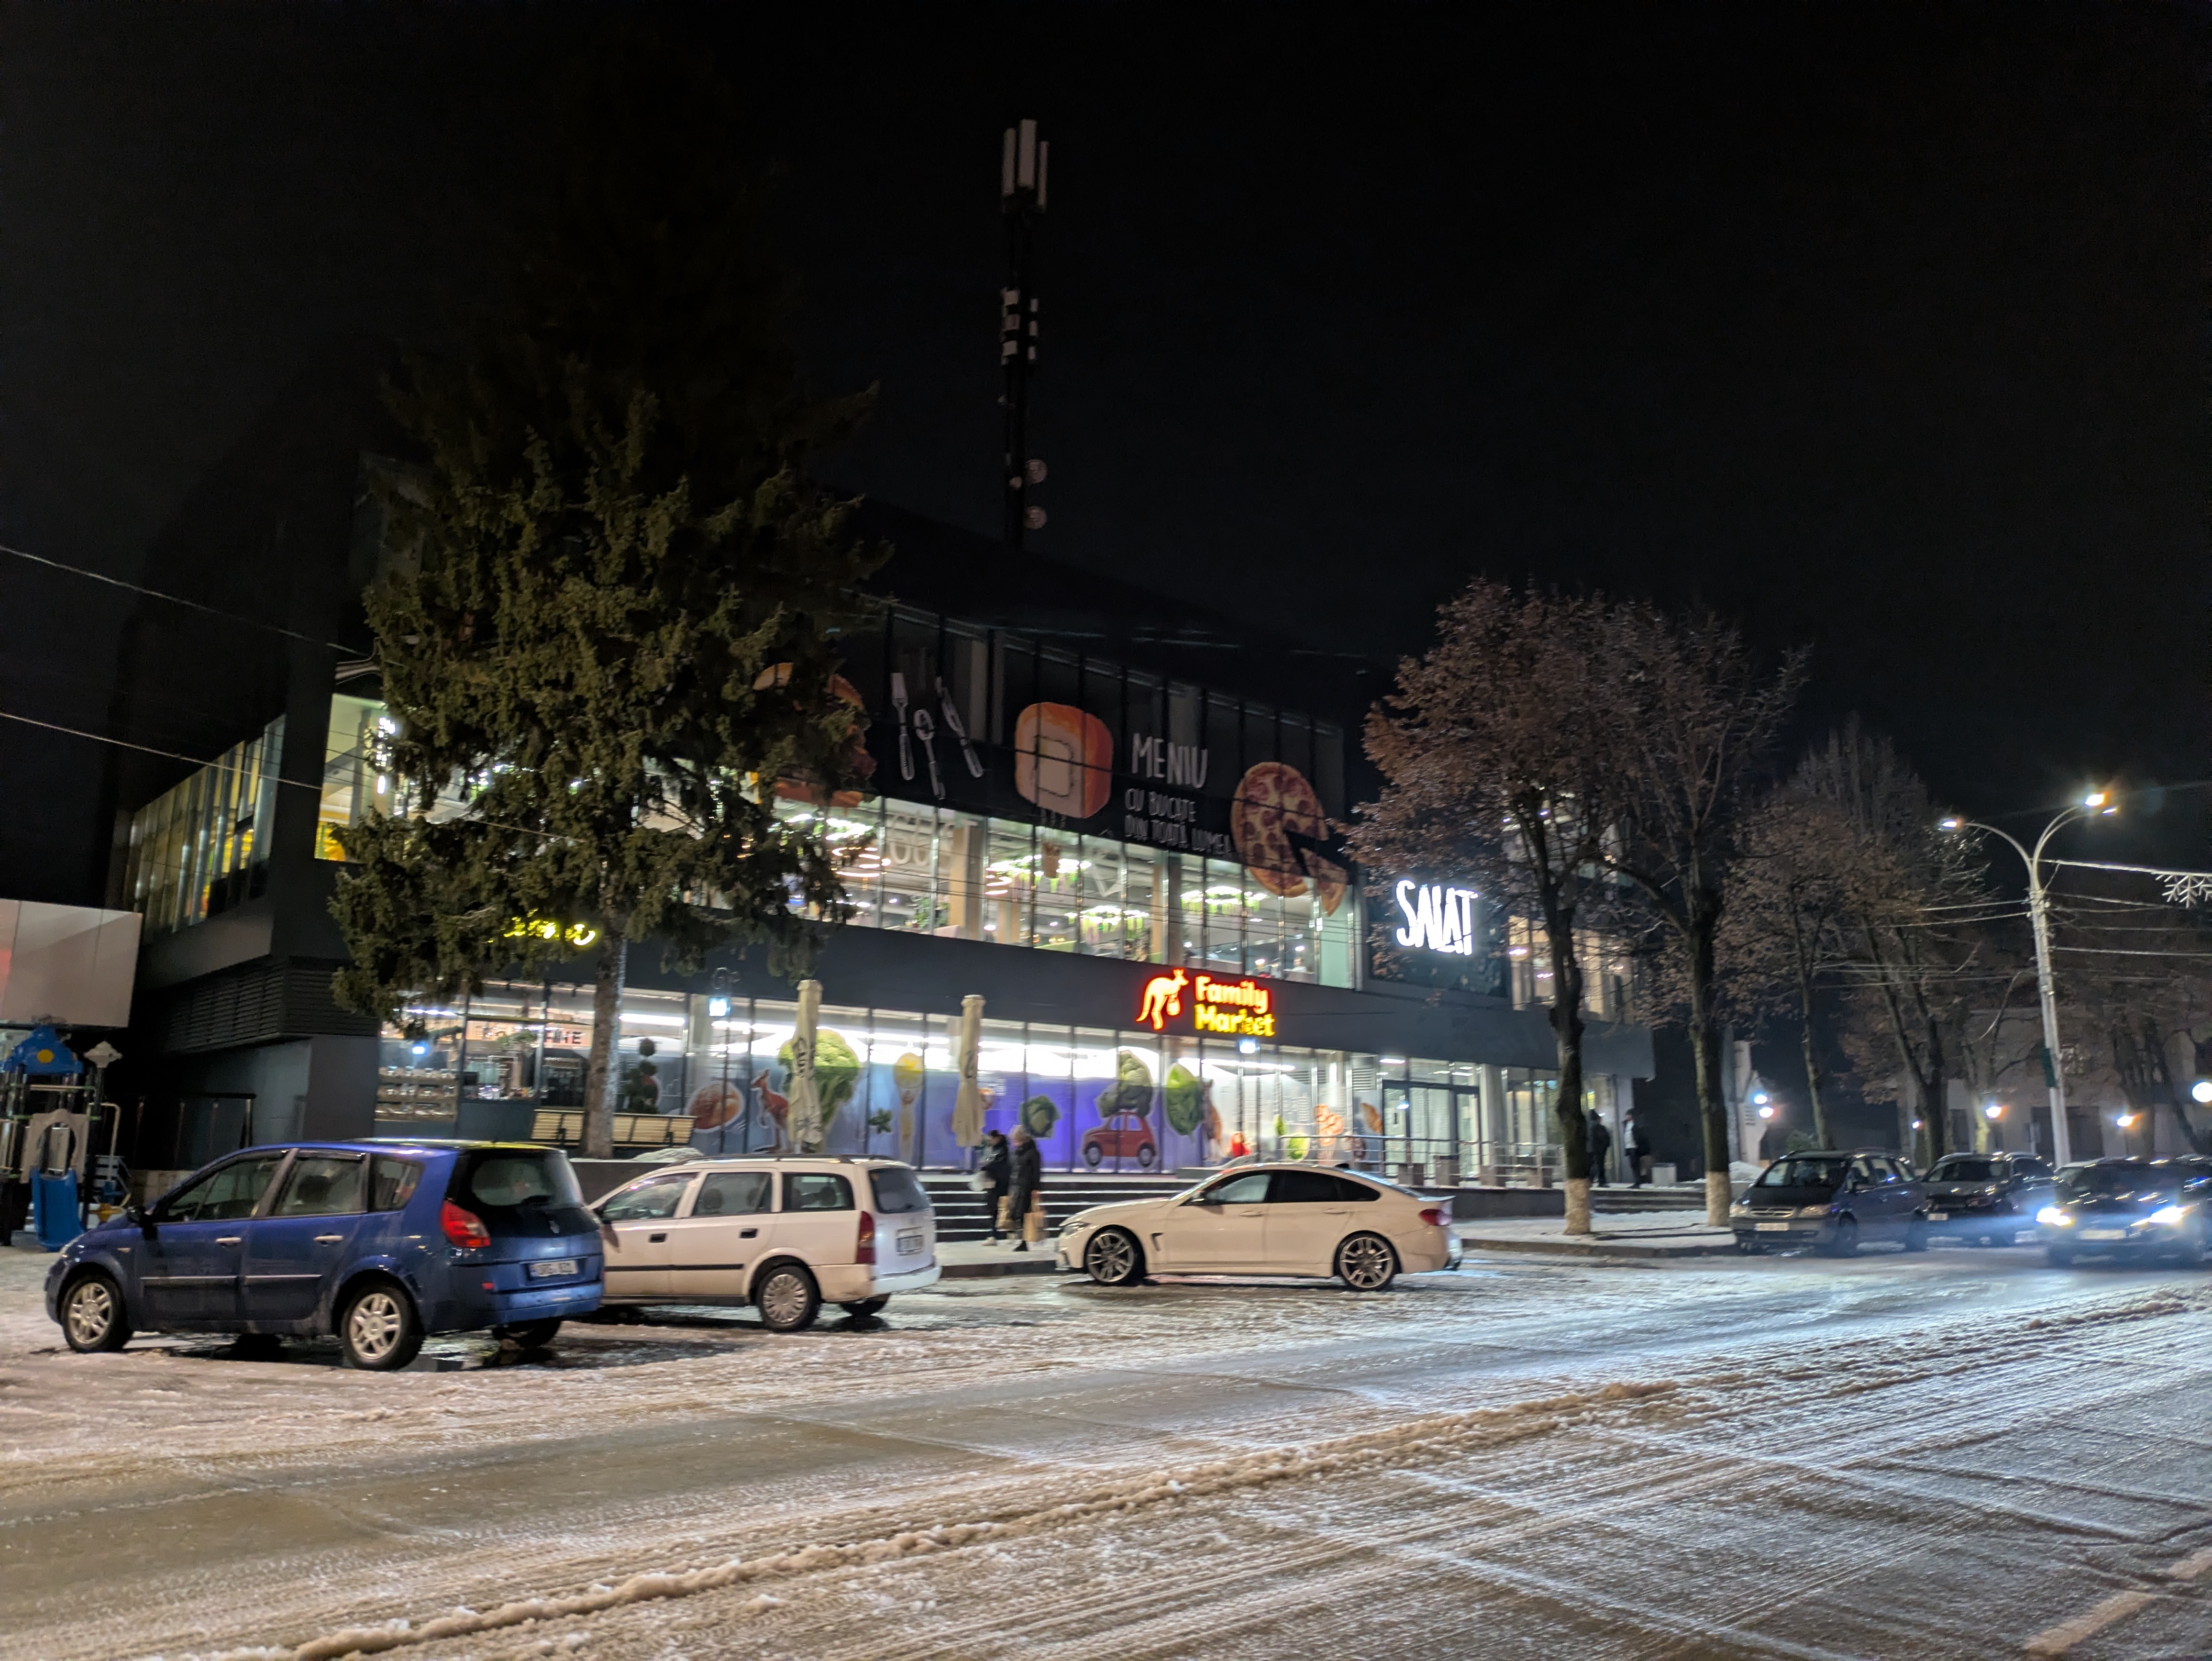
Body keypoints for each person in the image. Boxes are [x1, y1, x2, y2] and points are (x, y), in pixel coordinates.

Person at [1007, 1125, 1043, 1252]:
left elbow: (1036, 1172)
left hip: (1027, 1188)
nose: (1014, 1143)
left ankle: (1024, 1241)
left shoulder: (1032, 1153)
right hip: (1017, 1187)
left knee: (1024, 1215)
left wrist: (1036, 1189)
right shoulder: (1018, 1152)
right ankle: (1021, 1240)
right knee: (1017, 1214)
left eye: (1016, 1140)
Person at [978, 1129, 1012, 1241]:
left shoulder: (1001, 1151)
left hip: (1000, 1185)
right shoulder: (997, 1150)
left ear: (997, 1139)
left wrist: (987, 1166)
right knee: (996, 1210)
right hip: (997, 1185)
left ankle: (996, 1233)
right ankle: (994, 1233)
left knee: (999, 1209)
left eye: (992, 1139)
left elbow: (994, 1165)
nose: (990, 1141)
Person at [1626, 1108, 1654, 1188]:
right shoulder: (1628, 1124)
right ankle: (1638, 1181)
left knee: (1636, 1166)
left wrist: (1636, 1144)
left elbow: (1638, 1136)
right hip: (1630, 1147)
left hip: (1634, 1148)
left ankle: (1638, 1182)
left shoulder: (1635, 1125)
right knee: (1634, 1166)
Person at [1586, 1109, 1614, 1187]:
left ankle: (1590, 1181)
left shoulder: (1587, 1127)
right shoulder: (1598, 1126)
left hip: (1590, 1150)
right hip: (1599, 1150)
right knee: (1599, 1166)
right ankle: (1602, 1182)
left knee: (1592, 1166)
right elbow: (1604, 1138)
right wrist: (1605, 1146)